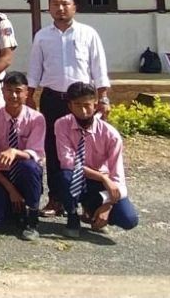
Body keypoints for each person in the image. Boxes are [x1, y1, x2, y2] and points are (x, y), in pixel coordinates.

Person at [28, 0, 111, 217]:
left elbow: (99, 68)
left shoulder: (88, 33)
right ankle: (57, 199)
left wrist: (102, 98)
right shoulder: (42, 36)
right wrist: (29, 95)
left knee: (87, 150)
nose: (60, 8)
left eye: (65, 4)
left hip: (83, 101)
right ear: (49, 9)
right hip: (53, 99)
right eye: (55, 4)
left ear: (74, 7)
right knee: (53, 150)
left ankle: (87, 202)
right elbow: (35, 68)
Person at [55, 82, 138, 238]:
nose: (83, 110)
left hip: (99, 185)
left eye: (87, 105)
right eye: (77, 105)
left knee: (129, 219)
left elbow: (118, 177)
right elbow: (68, 162)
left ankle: (92, 210)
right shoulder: (61, 125)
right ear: (70, 106)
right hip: (80, 178)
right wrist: (102, 176)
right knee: (65, 176)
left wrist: (108, 205)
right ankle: (72, 218)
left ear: (96, 105)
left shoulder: (110, 135)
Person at [0, 72, 45, 240]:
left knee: (29, 165)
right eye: (9, 91)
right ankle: (13, 207)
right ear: (2, 92)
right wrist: (11, 190)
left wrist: (15, 151)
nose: (14, 95)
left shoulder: (36, 119)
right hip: (1, 176)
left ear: (26, 93)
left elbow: (37, 154)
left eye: (18, 91)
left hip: (25, 174)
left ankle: (32, 218)